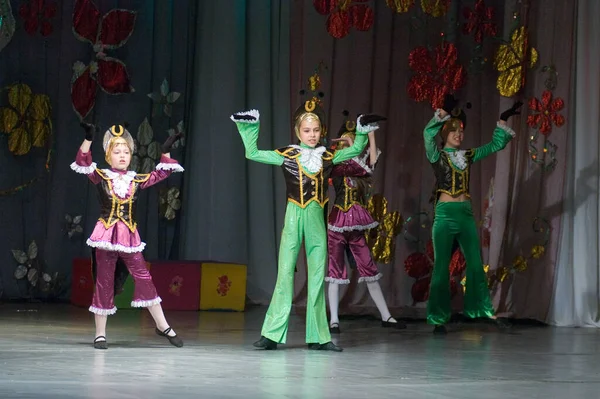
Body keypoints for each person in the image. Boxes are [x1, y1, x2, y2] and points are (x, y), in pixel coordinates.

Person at [230, 100, 384, 351]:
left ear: (321, 130)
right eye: (306, 131)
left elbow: (356, 149)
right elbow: (253, 153)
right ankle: (271, 334)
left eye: (315, 130)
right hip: (294, 215)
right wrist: (250, 128)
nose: (312, 135)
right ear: (297, 131)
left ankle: (319, 336)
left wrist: (362, 129)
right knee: (285, 273)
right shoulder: (287, 154)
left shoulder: (328, 156)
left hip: (315, 218)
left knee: (316, 275)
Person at [70, 122, 184, 349]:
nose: (122, 156)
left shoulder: (136, 179)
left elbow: (162, 172)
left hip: (129, 238)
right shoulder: (100, 176)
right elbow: (83, 162)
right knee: (104, 281)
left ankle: (163, 326)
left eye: (126, 152)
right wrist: (89, 138)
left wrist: (166, 149)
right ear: (108, 155)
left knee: (144, 278)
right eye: (117, 152)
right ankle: (100, 334)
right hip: (105, 235)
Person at [423, 94, 522, 334]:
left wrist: (503, 119)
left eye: (461, 131)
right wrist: (443, 111)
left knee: (476, 264)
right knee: (441, 267)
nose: (459, 134)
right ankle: (438, 318)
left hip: (465, 214)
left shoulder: (467, 156)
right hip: (445, 214)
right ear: (445, 133)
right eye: (453, 130)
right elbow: (427, 135)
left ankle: (482, 311)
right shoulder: (437, 156)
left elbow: (493, 146)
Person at [326, 116, 406, 333]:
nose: (348, 142)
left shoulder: (360, 170)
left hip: (357, 224)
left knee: (368, 267)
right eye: (345, 140)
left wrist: (370, 135)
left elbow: (368, 166)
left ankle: (386, 316)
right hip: (337, 223)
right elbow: (354, 164)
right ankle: (333, 319)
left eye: (352, 139)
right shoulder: (335, 165)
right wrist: (351, 147)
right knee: (335, 270)